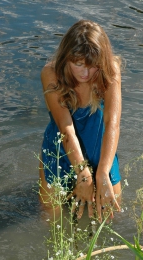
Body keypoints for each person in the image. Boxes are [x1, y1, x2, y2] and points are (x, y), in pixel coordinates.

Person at [39, 20, 122, 222]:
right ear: (66, 58)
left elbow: (113, 122)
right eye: (78, 65)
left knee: (109, 220)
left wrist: (102, 172)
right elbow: (66, 129)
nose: (85, 74)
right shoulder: (51, 73)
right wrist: (83, 175)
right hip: (61, 151)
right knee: (52, 222)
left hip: (101, 152)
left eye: (93, 66)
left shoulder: (110, 70)